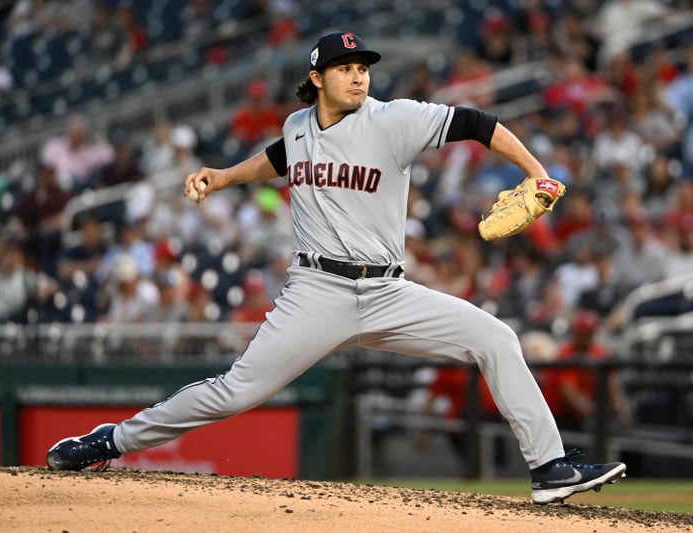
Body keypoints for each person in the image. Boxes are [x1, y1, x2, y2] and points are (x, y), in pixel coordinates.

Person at [47, 32, 625, 504]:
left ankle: (549, 468)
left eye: (363, 67)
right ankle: (110, 440)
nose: (358, 75)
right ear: (318, 78)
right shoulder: (298, 127)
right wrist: (223, 176)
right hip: (316, 292)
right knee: (234, 392)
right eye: (345, 67)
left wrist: (537, 172)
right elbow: (278, 158)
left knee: (495, 338)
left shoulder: (393, 120)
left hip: (387, 292)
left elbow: (477, 123)